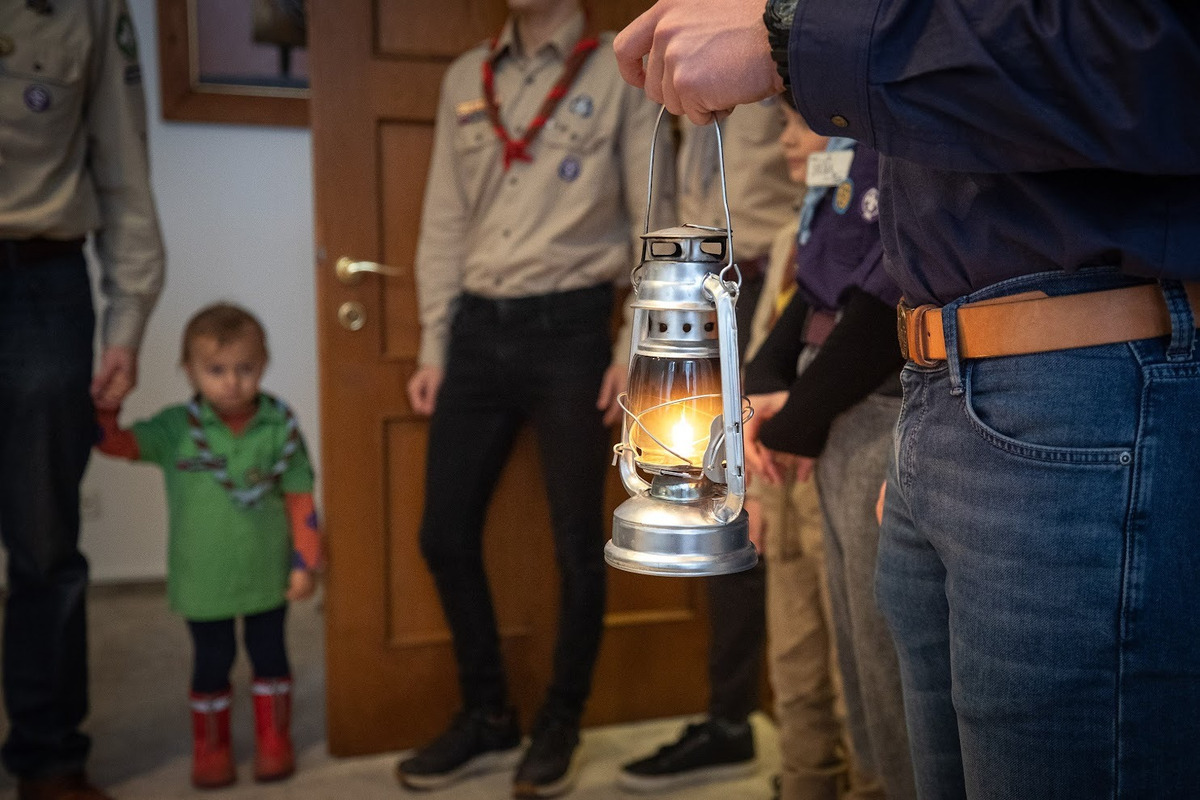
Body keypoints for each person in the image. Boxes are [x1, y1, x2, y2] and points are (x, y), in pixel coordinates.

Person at [615, 1, 1200, 798]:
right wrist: (938, 419)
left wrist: (787, 32)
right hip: (945, 383)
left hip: (1079, 380)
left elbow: (1147, 50)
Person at [397, 0, 674, 796]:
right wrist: (433, 344)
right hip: (476, 331)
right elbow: (442, 224)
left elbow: (650, 218)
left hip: (573, 333)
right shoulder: (465, 78)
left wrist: (632, 348)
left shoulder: (619, 73)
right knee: (443, 534)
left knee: (576, 545)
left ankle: (560, 721)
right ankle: (487, 714)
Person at [0, 1, 165, 798]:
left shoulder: (91, 10)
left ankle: (49, 754)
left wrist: (126, 324)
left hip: (40, 282)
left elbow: (124, 166)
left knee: (43, 546)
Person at [617, 99, 794, 795]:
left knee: (745, 513)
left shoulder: (768, 37)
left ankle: (767, 727)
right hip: (684, 291)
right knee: (700, 511)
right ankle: (729, 719)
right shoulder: (680, 63)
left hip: (759, 288)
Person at [743, 105, 911, 799]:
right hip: (809, 428)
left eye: (800, 121)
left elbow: (876, 303)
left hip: (867, 413)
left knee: (875, 662)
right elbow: (803, 302)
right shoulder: (817, 211)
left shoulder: (882, 160)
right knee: (819, 645)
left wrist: (798, 418)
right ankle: (810, 780)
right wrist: (767, 393)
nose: (786, 137)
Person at [94, 304, 321, 790]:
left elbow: (301, 497)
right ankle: (211, 747)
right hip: (204, 579)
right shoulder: (177, 428)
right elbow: (112, 444)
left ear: (263, 365)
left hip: (267, 574)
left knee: (271, 656)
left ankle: (272, 739)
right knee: (211, 661)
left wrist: (305, 561)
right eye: (216, 371)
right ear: (189, 371)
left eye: (246, 368)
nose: (232, 382)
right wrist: (107, 405)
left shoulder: (279, 426)